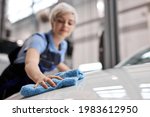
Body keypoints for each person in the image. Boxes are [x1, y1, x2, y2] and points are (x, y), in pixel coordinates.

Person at [0, 2, 78, 99]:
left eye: (70, 23)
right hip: (13, 81)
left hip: (32, 80)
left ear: (74, 26)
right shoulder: (39, 39)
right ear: (52, 22)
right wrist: (39, 77)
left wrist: (75, 74)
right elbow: (30, 63)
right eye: (60, 21)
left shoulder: (63, 45)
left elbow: (58, 62)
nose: (65, 25)